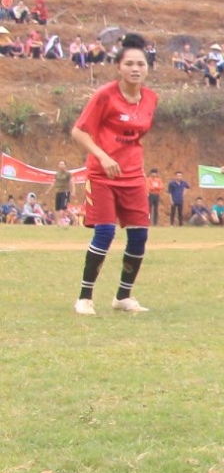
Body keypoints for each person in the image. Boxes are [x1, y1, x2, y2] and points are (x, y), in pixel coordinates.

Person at [69, 35, 158, 315]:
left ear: (147, 68)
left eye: (140, 64)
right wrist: (103, 156)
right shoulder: (105, 95)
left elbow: (135, 137)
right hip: (102, 175)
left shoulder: (151, 98)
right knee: (105, 232)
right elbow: (78, 131)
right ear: (118, 67)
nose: (135, 68)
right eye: (129, 63)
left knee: (139, 236)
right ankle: (84, 298)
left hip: (132, 177)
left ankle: (123, 297)